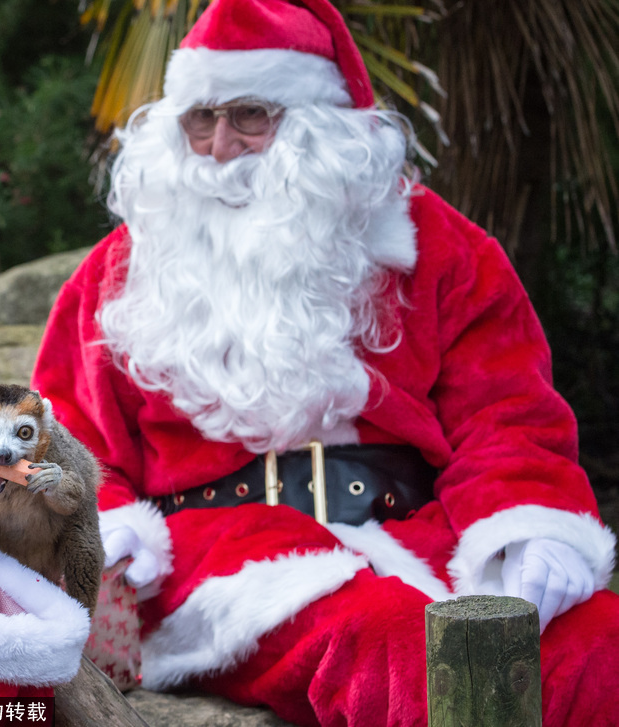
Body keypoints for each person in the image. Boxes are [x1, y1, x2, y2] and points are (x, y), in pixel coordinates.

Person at [30, 0, 619, 723]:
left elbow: (506, 416)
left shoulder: (436, 245)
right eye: (199, 119)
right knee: (396, 650)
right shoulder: (119, 271)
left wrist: (525, 523)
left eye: (250, 115)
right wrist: (106, 524)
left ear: (322, 125)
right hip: (227, 560)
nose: (219, 146)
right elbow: (67, 433)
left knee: (596, 646)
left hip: (419, 535)